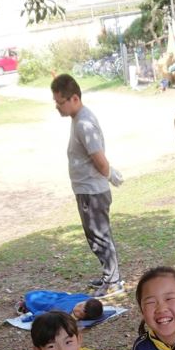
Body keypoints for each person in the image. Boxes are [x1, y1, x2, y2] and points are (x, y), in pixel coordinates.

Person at [50, 74, 124, 298]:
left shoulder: (83, 122)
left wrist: (110, 174)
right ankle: (109, 275)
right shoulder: (78, 119)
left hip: (92, 191)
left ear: (74, 98)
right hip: (86, 189)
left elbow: (98, 157)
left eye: (60, 102)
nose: (57, 107)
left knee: (99, 236)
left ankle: (113, 281)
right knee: (96, 236)